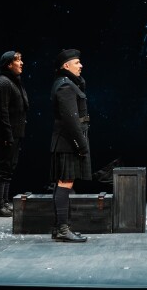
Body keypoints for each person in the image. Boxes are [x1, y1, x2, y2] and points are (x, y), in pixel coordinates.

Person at [49, 48, 89, 243]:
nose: (81, 65)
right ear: (66, 66)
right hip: (67, 143)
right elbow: (71, 120)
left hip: (65, 142)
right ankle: (63, 229)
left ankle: (61, 228)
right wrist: (81, 145)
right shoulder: (65, 86)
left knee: (64, 183)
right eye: (77, 63)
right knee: (65, 183)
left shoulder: (67, 83)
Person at [0, 50, 29, 217]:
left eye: (21, 59)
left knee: (9, 168)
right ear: (8, 64)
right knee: (3, 169)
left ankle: (4, 202)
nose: (21, 63)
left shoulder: (14, 81)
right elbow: (2, 111)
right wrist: (7, 135)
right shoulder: (3, 83)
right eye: (17, 60)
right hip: (7, 133)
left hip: (15, 132)